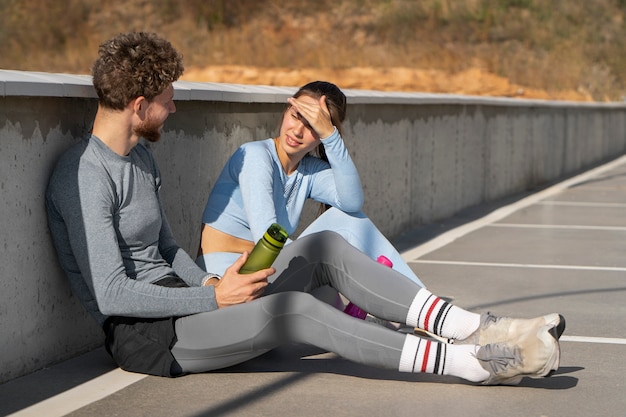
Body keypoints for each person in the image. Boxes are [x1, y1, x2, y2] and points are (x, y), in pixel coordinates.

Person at [46, 32, 565, 385]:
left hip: (192, 301)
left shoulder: (139, 157)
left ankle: (473, 327)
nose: (175, 106)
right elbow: (112, 293)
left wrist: (207, 286)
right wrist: (212, 300)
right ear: (139, 106)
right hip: (150, 338)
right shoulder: (83, 176)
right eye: (167, 98)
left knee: (324, 244)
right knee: (295, 311)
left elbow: (165, 247)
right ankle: (469, 363)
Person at [197, 81, 426, 290]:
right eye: (296, 116)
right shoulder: (256, 156)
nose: (297, 131)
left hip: (268, 270)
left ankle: (419, 302)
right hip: (228, 274)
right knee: (328, 282)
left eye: (313, 126)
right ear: (287, 110)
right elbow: (266, 237)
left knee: (349, 223)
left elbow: (351, 202)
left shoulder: (308, 171)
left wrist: (332, 137)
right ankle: (419, 306)